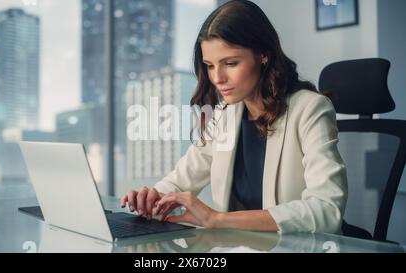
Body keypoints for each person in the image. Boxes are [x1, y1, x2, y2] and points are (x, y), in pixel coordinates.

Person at [121, 0, 347, 234]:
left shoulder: (310, 109)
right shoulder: (224, 115)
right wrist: (154, 197)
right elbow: (180, 180)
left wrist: (216, 219)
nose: (217, 78)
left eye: (230, 63)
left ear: (263, 55)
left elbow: (326, 209)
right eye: (209, 65)